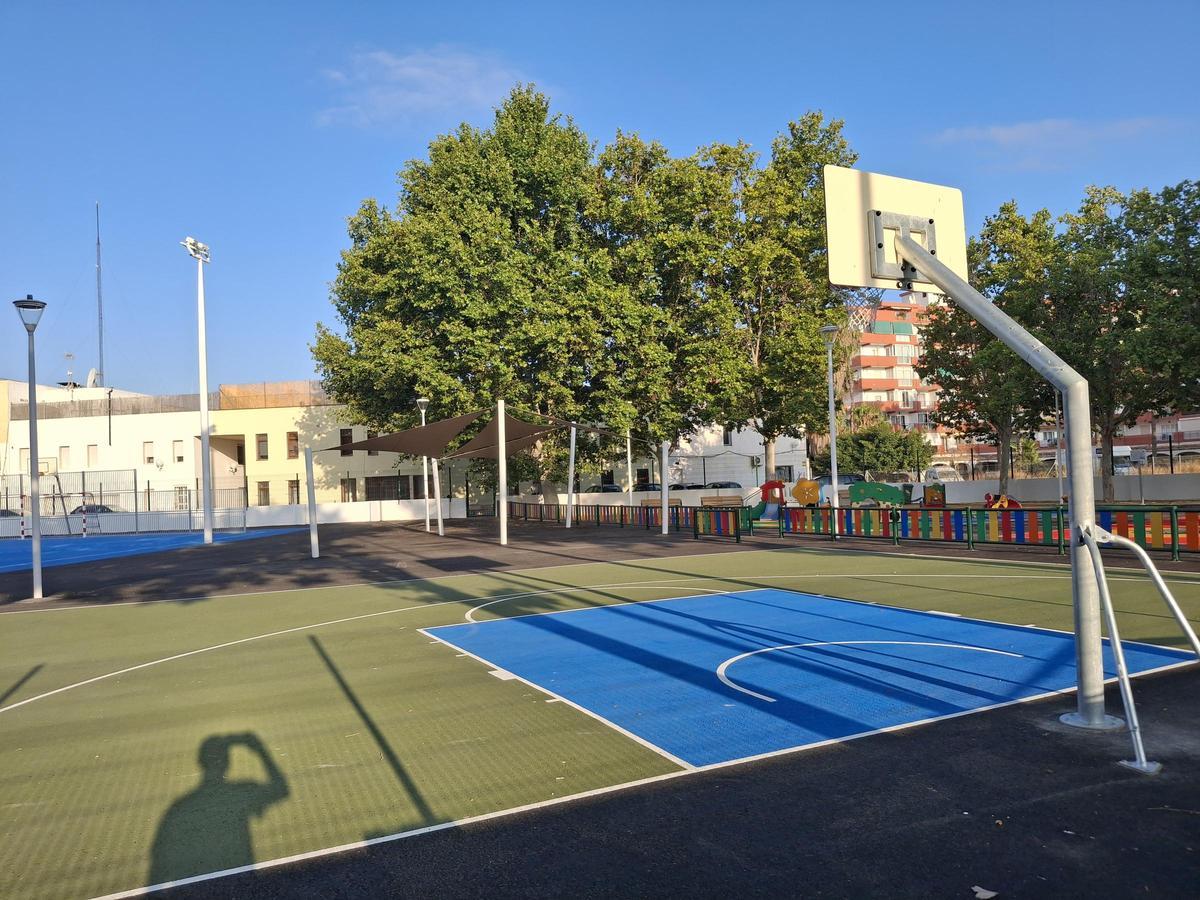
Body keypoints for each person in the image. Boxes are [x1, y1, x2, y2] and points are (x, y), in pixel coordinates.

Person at [149, 733, 289, 884]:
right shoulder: (239, 794)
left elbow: (159, 863)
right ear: (227, 762)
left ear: (200, 761)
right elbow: (280, 789)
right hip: (239, 885)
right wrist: (259, 749)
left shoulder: (180, 808)